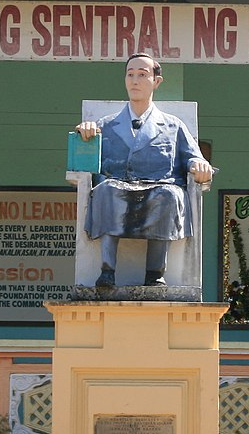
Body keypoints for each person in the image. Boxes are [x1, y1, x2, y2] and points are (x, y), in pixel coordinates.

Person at [75, 53, 213, 287]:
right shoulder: (105, 125)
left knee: (169, 196)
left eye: (142, 74)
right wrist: (85, 132)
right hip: (118, 185)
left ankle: (155, 273)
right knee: (106, 190)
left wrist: (200, 166)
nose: (135, 81)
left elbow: (193, 157)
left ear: (156, 82)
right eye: (130, 75)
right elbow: (83, 155)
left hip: (158, 186)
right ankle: (107, 270)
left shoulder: (172, 125)